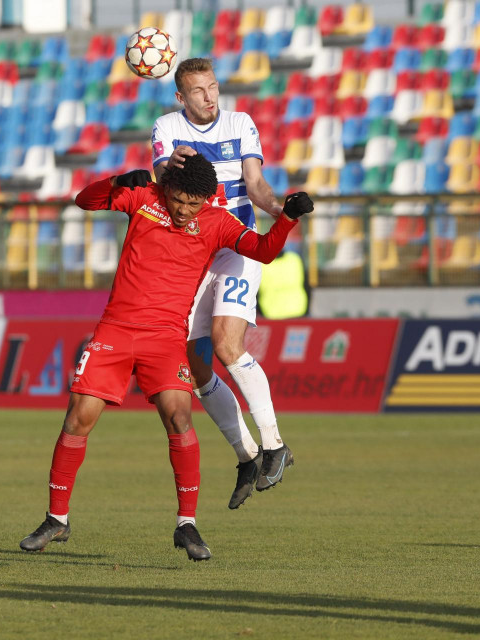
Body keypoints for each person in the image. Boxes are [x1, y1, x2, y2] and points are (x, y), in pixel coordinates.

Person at [19, 154, 314, 561]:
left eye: (194, 204)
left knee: (179, 419)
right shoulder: (143, 196)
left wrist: (288, 219)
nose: (184, 210)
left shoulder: (218, 221)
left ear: (207, 200)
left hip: (166, 337)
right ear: (167, 188)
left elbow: (262, 251)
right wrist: (118, 180)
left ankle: (186, 525)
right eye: (178, 200)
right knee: (77, 418)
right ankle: (56, 518)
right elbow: (84, 201)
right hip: (115, 331)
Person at [152, 57, 293, 510]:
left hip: (235, 245)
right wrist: (167, 168)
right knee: (195, 365)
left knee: (226, 344)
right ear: (181, 97)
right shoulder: (167, 127)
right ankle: (247, 455)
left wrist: (281, 210)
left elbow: (255, 184)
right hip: (192, 250)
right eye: (198, 91)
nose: (210, 96)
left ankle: (274, 445)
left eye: (213, 87)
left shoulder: (240, 123)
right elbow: (161, 177)